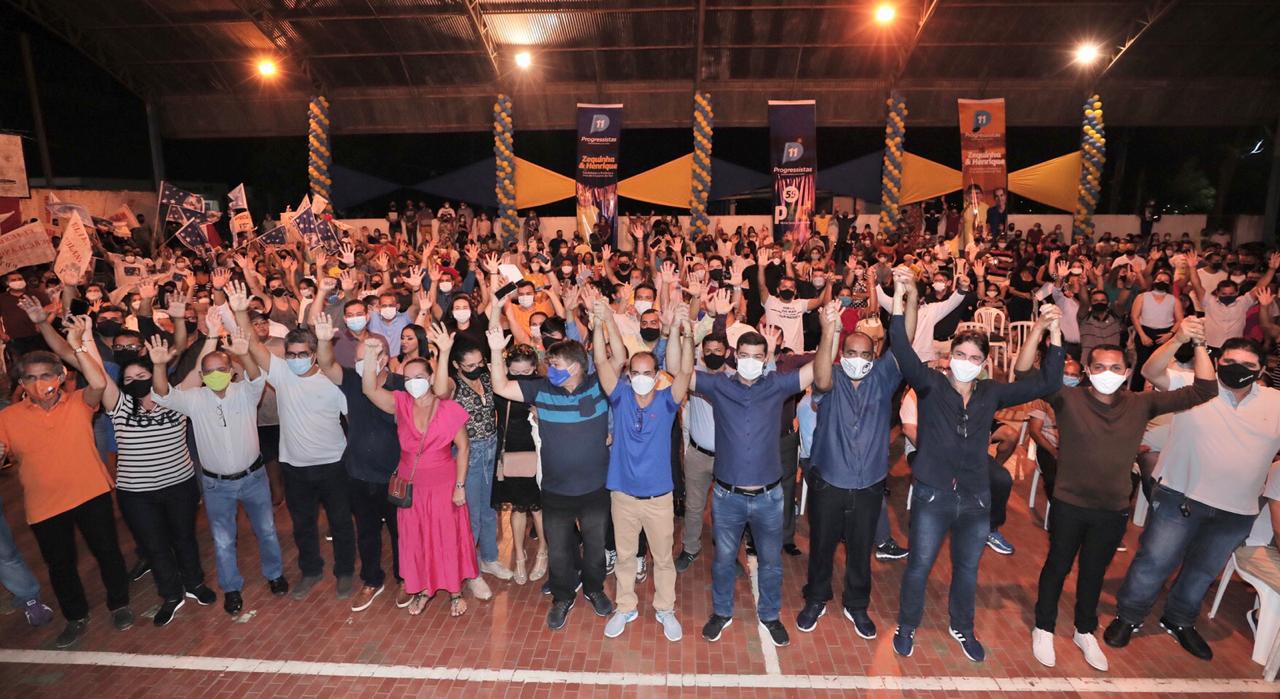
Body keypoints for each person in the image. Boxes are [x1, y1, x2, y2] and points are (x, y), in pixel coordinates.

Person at [889, 271, 1064, 663]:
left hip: (975, 499)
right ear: (950, 356)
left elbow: (1049, 380)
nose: (965, 363)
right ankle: (907, 624)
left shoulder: (991, 393)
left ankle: (962, 627)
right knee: (919, 566)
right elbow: (900, 346)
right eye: (960, 355)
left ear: (984, 363)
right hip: (933, 495)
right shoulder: (930, 385)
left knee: (967, 569)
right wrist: (900, 297)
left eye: (973, 358)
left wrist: (1053, 332)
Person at [1029, 319, 1217, 672]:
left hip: (1112, 508)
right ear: (1087, 370)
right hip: (1069, 503)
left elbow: (1205, 389)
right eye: (1099, 367)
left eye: (1116, 368)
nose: (1107, 373)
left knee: (1094, 572)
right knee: (1057, 566)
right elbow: (1026, 373)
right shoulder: (1067, 398)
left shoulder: (1140, 404)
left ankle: (1085, 630)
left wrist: (1194, 343)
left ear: (1127, 372)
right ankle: (1044, 626)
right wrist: (1044, 330)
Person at [1107, 336, 1280, 660]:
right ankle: (1129, 616)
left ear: (1260, 371)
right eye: (1229, 362)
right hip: (1180, 497)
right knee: (1155, 561)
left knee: (1203, 571)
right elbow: (1151, 370)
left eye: (1248, 365)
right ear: (1216, 363)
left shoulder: (1275, 402)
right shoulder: (1194, 386)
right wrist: (1178, 338)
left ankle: (1179, 619)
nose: (1237, 369)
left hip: (1237, 511)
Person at [695, 311, 834, 648]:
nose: (751, 362)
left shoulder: (776, 385)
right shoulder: (719, 385)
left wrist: (829, 330)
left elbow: (818, 371)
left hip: (769, 498)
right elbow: (678, 371)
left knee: (771, 563)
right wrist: (682, 330)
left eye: (758, 356)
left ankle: (770, 615)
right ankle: (722, 612)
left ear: (766, 358)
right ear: (735, 356)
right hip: (727, 496)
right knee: (724, 560)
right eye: (745, 356)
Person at [0, 329, 132, 648]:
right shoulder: (7, 417)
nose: (39, 382)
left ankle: (120, 604)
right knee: (60, 566)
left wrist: (77, 347)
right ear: (21, 383)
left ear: (60, 377)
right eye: (30, 377)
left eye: (46, 375)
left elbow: (98, 383)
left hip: (91, 493)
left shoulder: (79, 402)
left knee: (107, 552)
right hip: (44, 506)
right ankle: (76, 616)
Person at [233, 281, 356, 601]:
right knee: (303, 525)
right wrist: (240, 313)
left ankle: (344, 572)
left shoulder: (334, 381)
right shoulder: (282, 373)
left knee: (341, 522)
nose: (296, 358)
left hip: (333, 465)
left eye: (303, 354)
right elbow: (254, 345)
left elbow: (353, 422)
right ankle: (311, 571)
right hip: (295, 467)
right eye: (291, 354)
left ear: (314, 355)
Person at [489, 328, 615, 631]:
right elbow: (501, 386)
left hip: (595, 488)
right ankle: (562, 596)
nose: (550, 369)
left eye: (555, 364)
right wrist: (495, 351)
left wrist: (604, 320)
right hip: (556, 491)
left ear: (575, 367)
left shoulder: (599, 386)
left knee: (595, 547)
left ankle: (594, 588)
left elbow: (618, 359)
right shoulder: (540, 389)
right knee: (558, 550)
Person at [90, 335, 217, 627]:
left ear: (153, 375)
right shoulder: (119, 404)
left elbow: (199, 370)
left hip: (179, 485)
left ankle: (194, 583)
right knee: (155, 546)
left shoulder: (175, 398)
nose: (135, 381)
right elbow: (98, 374)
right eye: (129, 378)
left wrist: (211, 335)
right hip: (137, 494)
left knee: (184, 538)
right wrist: (85, 338)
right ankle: (171, 595)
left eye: (141, 376)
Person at [796, 301, 901, 638]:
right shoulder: (832, 378)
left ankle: (856, 604)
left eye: (865, 354)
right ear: (842, 354)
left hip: (868, 484)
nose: (858, 359)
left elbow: (906, 337)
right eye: (851, 353)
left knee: (860, 549)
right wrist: (829, 330)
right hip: (829, 481)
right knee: (821, 546)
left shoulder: (883, 378)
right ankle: (816, 598)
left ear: (874, 356)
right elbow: (821, 376)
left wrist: (906, 298)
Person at [592, 297, 693, 642]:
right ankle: (625, 607)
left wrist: (685, 331)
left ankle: (665, 608)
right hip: (622, 495)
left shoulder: (667, 401)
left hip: (659, 498)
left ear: (657, 376)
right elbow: (600, 361)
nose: (640, 379)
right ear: (628, 375)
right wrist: (598, 323)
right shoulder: (619, 397)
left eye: (647, 374)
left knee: (663, 558)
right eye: (634, 373)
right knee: (624, 557)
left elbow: (685, 372)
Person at [361, 340, 476, 617]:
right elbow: (369, 389)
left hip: (444, 482)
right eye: (408, 378)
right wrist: (370, 355)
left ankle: (455, 591)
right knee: (417, 538)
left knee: (446, 536)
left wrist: (460, 485)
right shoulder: (400, 403)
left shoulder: (447, 407)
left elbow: (463, 448)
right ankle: (424, 588)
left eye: (419, 377)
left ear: (431, 378)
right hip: (411, 484)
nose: (413, 383)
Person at [314, 314, 406, 612]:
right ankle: (372, 580)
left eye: (369, 357)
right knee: (366, 532)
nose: (361, 363)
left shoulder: (403, 386)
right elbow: (326, 364)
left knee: (401, 532)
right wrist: (323, 341)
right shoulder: (352, 381)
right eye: (359, 358)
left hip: (397, 474)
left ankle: (406, 578)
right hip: (359, 473)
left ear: (385, 359)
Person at [428, 322, 513, 591]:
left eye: (480, 362)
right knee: (470, 516)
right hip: (468, 453)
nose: (477, 368)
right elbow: (439, 391)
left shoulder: (485, 377)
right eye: (470, 365)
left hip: (491, 449)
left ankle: (489, 558)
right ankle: (470, 570)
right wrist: (443, 353)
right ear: (457, 365)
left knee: (489, 510)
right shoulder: (454, 384)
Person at [492, 344, 547, 585]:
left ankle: (543, 551)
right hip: (510, 450)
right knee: (518, 506)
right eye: (515, 373)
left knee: (538, 506)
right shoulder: (501, 385)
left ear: (535, 368)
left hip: (537, 449)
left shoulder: (542, 386)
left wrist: (540, 414)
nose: (521, 378)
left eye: (526, 373)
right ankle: (519, 556)